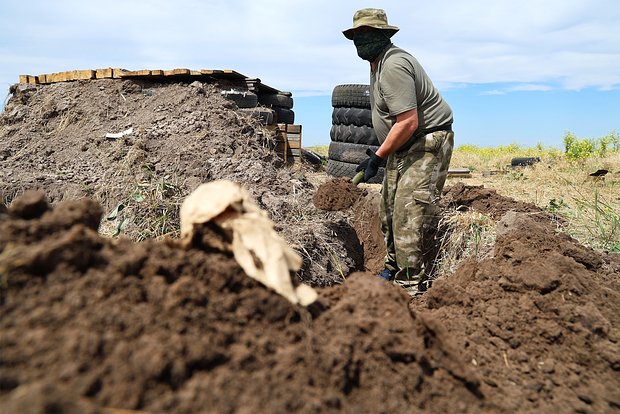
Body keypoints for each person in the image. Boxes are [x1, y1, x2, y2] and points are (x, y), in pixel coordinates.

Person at [343, 8, 454, 295]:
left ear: (383, 35)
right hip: (404, 145)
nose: (360, 41)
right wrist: (380, 155)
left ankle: (409, 286)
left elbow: (408, 121)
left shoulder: (393, 65)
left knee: (408, 212)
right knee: (387, 209)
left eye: (367, 34)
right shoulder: (376, 64)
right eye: (356, 35)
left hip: (426, 142)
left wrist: (378, 157)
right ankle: (393, 268)